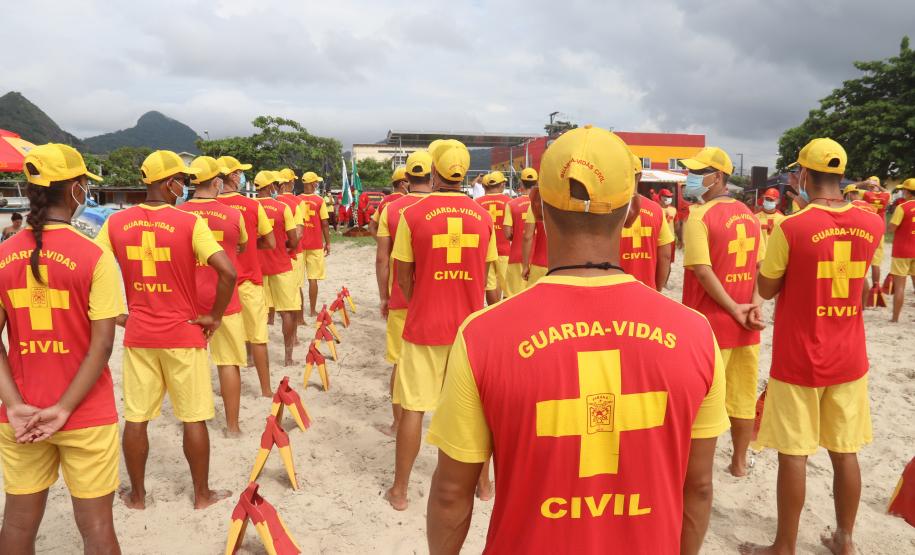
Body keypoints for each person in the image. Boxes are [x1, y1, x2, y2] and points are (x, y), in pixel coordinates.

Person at [425, 125, 729, 554]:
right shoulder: (695, 334)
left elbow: (451, 495)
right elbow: (697, 488)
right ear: (633, 212)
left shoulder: (482, 336)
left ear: (535, 204)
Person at [744, 138, 884, 555]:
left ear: (803, 175)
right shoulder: (873, 223)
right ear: (840, 177)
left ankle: (784, 546)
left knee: (794, 453)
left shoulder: (792, 226)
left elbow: (766, 289)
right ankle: (844, 539)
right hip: (849, 356)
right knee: (845, 452)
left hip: (800, 357)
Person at [96, 150, 236, 510]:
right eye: (182, 180)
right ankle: (201, 495)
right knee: (193, 417)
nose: (184, 186)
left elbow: (91, 271)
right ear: (167, 182)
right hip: (184, 334)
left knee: (137, 419)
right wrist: (215, 316)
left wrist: (115, 314)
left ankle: (138, 496)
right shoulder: (188, 222)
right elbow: (228, 272)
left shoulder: (115, 223)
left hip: (140, 336)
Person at [0, 144, 123, 553]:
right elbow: (102, 346)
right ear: (76, 188)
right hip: (85, 412)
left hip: (20, 415)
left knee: (17, 524)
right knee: (96, 526)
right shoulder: (94, 256)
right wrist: (65, 408)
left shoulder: (3, 255)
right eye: (84, 183)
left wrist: (15, 404)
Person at [385, 140, 497, 511]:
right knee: (476, 413)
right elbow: (488, 279)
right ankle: (483, 487)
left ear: (434, 171)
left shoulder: (412, 214)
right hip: (470, 330)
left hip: (424, 325)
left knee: (413, 408)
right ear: (464, 173)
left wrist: (424, 298)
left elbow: (403, 278)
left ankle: (400, 491)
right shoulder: (483, 217)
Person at [680, 146, 765, 478]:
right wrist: (753, 306)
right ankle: (739, 463)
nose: (691, 179)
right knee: (742, 398)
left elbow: (702, 270)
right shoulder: (751, 216)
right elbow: (760, 267)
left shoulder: (700, 217)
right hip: (747, 325)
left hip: (710, 325)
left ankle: (697, 468)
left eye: (698, 173)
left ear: (717, 178)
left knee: (703, 402)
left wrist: (733, 309)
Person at [179, 156, 248, 435]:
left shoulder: (178, 215)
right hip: (225, 299)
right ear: (217, 182)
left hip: (188, 301)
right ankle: (232, 426)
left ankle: (192, 422)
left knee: (190, 366)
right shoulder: (234, 214)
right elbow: (241, 246)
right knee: (228, 363)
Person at [375, 150, 434, 437]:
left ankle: (398, 425)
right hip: (439, 300)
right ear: (433, 176)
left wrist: (384, 296)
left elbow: (383, 259)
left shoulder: (392, 209)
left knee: (400, 362)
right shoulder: (450, 208)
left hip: (402, 298)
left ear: (407, 179)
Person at [217, 156, 276, 397]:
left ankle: (226, 390)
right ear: (232, 176)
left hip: (219, 285)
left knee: (225, 347)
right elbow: (270, 242)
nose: (241, 177)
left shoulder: (203, 207)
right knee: (258, 338)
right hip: (249, 280)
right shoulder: (253, 206)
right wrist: (250, 244)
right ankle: (265, 390)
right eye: (239, 173)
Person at [254, 171, 300, 365]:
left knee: (256, 313)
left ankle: (250, 357)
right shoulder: (282, 208)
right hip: (281, 264)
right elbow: (294, 239)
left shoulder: (249, 207)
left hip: (257, 266)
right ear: (270, 186)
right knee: (287, 312)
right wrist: (285, 246)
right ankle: (288, 357)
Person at [619, 153, 674, 290]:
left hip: (614, 289)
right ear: (640, 177)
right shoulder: (656, 210)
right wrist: (658, 289)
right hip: (648, 290)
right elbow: (665, 256)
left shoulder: (605, 210)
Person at [476, 170, 514, 304]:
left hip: (485, 252)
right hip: (505, 250)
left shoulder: (477, 203)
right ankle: (508, 314)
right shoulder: (510, 202)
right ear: (502, 185)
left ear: (485, 186)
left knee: (490, 285)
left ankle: (493, 312)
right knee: (508, 286)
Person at [297, 172, 332, 317]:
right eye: (316, 182)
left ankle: (298, 312)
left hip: (299, 244)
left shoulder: (296, 199)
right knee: (313, 279)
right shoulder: (319, 201)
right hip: (315, 244)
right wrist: (328, 243)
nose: (316, 184)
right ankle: (312, 311)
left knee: (298, 281)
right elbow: (324, 223)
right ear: (312, 184)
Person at [275, 169, 306, 323]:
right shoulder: (298, 203)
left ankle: (271, 320)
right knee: (296, 288)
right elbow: (299, 233)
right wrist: (288, 248)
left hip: (273, 251)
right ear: (291, 183)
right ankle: (299, 319)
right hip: (294, 250)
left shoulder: (269, 202)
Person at [504, 169, 534, 296]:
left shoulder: (511, 204)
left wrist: (516, 236)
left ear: (521, 183)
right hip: (537, 259)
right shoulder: (541, 205)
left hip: (517, 255)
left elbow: (507, 234)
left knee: (511, 297)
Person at [889, 178, 915, 323]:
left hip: (902, 251)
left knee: (900, 287)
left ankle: (895, 318)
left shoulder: (902, 207)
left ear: (907, 191)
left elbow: (892, 228)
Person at [521, 186, 549, 286]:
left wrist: (525, 266)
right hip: (565, 266)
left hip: (540, 264)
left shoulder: (537, 204)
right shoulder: (572, 204)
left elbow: (527, 236)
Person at [370, 166, 408, 237]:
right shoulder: (408, 200)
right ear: (402, 184)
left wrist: (382, 243)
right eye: (409, 181)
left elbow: (371, 226)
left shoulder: (384, 200)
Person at [756, 188, 786, 257]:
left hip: (775, 257)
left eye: (771, 200)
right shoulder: (755, 218)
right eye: (767, 199)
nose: (768, 201)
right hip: (760, 257)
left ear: (777, 201)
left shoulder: (782, 219)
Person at [660, 188, 679, 264]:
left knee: (668, 262)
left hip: (671, 239)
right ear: (661, 197)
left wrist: (679, 238)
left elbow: (676, 224)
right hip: (660, 240)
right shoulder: (656, 209)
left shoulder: (674, 210)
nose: (669, 199)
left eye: (670, 197)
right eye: (666, 196)